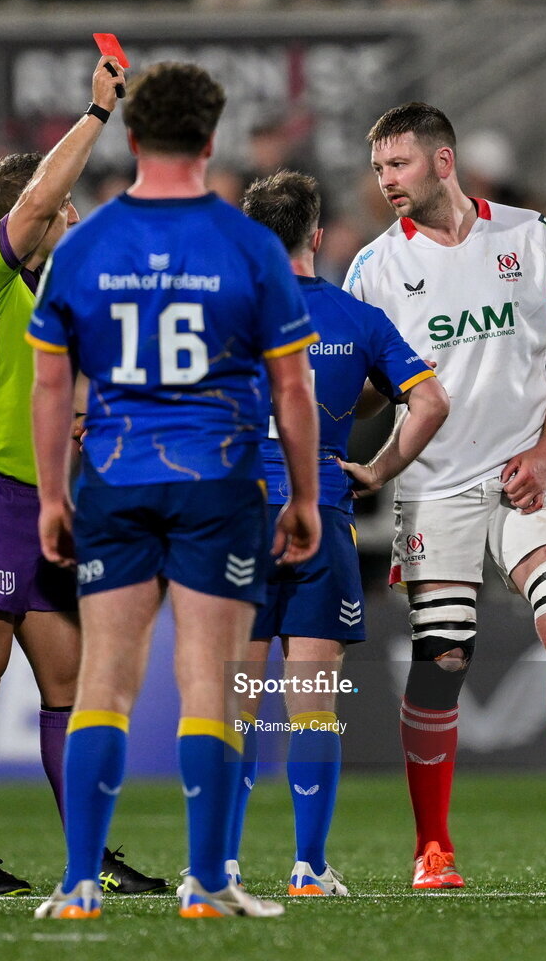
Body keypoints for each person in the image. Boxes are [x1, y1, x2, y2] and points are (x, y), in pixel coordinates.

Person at [28, 62, 322, 921]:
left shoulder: (83, 246)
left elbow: (51, 385)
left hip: (113, 479)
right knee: (210, 683)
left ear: (128, 138)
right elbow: (293, 389)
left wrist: (53, 495)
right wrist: (302, 496)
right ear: (210, 139)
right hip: (219, 483)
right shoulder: (247, 245)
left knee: (104, 683)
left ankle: (79, 883)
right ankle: (206, 883)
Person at [345, 102, 546, 889]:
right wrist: (336, 386)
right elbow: (369, 392)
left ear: (443, 161)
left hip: (526, 472)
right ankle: (431, 845)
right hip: (432, 487)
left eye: (397, 165)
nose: (385, 182)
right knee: (440, 660)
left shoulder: (526, 234)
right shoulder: (371, 268)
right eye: (377, 170)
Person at [0, 53, 164, 897]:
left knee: (69, 685)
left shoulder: (55, 303)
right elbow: (34, 201)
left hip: (47, 507)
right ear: (27, 216)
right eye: (60, 202)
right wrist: (96, 115)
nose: (70, 210)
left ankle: (87, 853)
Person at [230, 170, 449, 896]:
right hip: (320, 511)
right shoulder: (354, 320)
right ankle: (306, 867)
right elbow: (430, 403)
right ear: (315, 239)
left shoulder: (219, 315)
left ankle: (218, 865)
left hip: (237, 517)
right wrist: (378, 467)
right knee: (314, 698)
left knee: (233, 701)